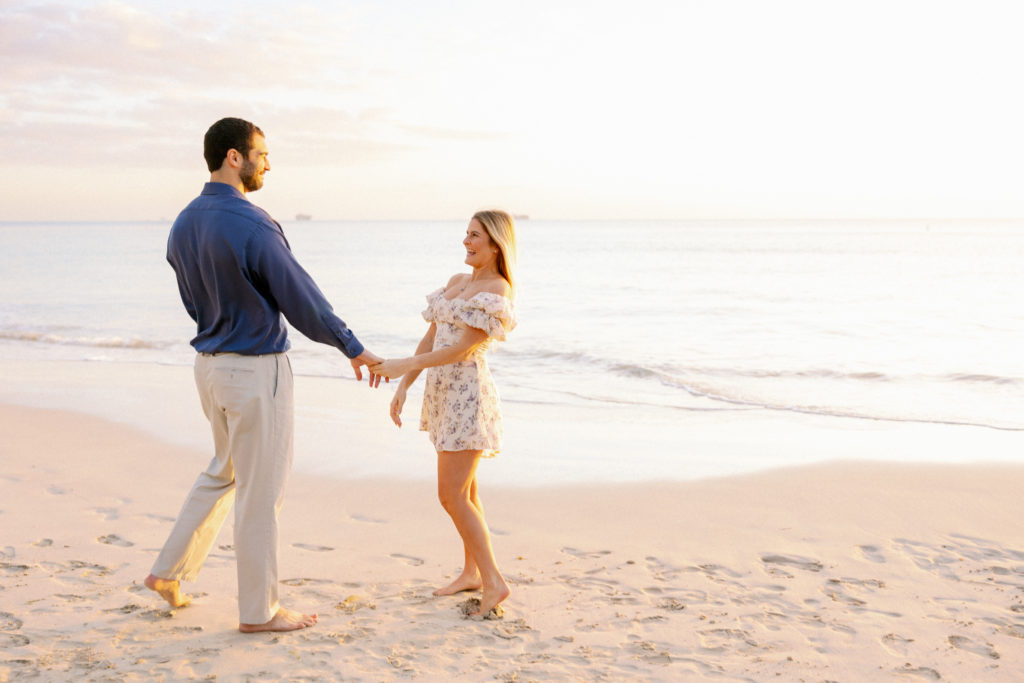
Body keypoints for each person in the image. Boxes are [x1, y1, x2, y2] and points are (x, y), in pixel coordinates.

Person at [144, 117, 383, 633]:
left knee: (223, 473)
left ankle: (167, 572)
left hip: (208, 368)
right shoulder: (252, 223)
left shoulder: (182, 223)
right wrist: (352, 346)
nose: (268, 163)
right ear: (235, 156)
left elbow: (192, 296)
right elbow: (300, 295)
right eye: (262, 153)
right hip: (254, 373)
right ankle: (259, 612)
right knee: (259, 493)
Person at [371, 210, 517, 617]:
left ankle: (494, 581)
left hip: (468, 397)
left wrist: (400, 364)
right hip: (442, 394)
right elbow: (432, 337)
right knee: (466, 492)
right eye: (466, 234)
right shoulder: (456, 283)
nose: (467, 242)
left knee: (450, 495)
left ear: (495, 245)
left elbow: (462, 349)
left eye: (476, 236)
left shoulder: (498, 289)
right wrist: (404, 383)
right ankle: (472, 573)